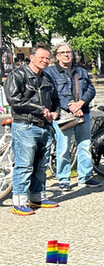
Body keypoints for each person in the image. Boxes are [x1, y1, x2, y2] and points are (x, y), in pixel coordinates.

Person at [3, 44, 60, 215]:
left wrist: (55, 113)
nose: (45, 61)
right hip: (25, 126)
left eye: (47, 58)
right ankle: (18, 201)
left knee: (41, 165)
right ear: (32, 57)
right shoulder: (18, 75)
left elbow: (55, 100)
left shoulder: (47, 78)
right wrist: (39, 109)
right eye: (42, 57)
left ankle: (37, 197)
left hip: (44, 126)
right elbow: (14, 99)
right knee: (24, 165)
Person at [44, 42, 100, 191]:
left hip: (83, 113)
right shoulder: (50, 72)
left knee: (85, 146)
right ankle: (63, 179)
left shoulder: (80, 71)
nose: (67, 55)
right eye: (63, 52)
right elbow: (52, 93)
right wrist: (71, 106)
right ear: (57, 56)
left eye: (69, 52)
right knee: (63, 148)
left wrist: (81, 103)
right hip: (63, 115)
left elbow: (90, 89)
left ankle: (85, 177)